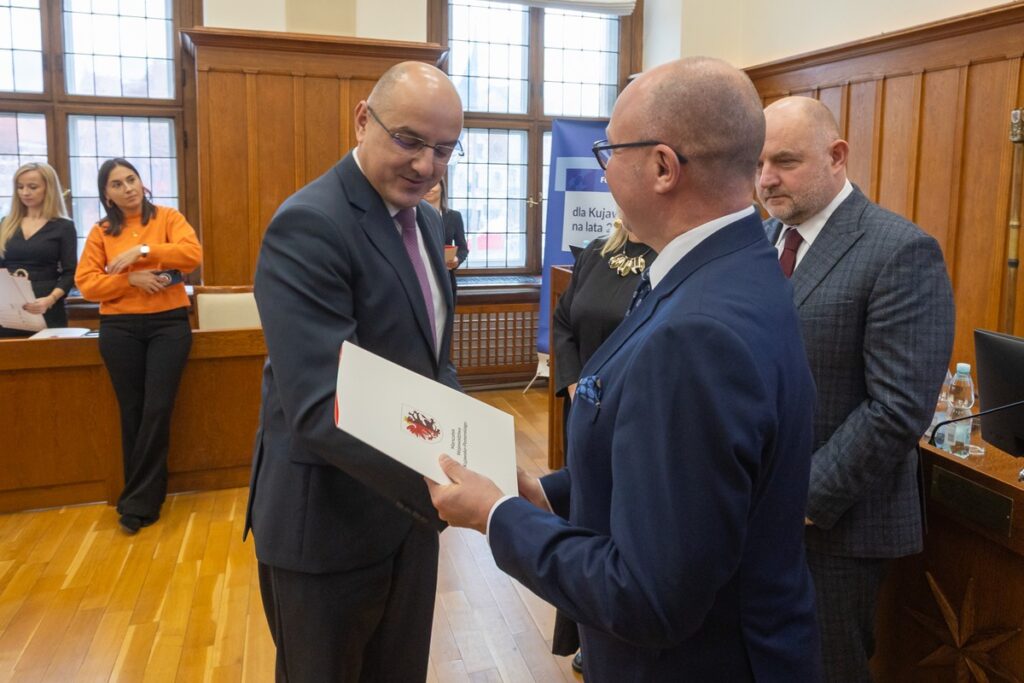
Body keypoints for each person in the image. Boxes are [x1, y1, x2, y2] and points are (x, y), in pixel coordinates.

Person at [429, 57, 821, 683]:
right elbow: (687, 490)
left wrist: (498, 515)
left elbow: (647, 595)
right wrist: (549, 494)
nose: (603, 168)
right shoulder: (730, 268)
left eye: (610, 150)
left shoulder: (699, 331)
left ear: (663, 167)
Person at [244, 61, 463, 682]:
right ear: (363, 118)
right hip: (327, 530)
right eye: (410, 140)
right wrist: (444, 480)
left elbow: (433, 359)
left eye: (445, 150)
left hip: (409, 526)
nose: (426, 165)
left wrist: (473, 445)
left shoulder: (425, 221)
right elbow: (323, 406)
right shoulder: (310, 223)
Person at [757, 96, 954, 683]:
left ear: (836, 156)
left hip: (834, 530)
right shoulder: (762, 238)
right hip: (752, 511)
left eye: (785, 162)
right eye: (758, 162)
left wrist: (800, 501)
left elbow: (897, 408)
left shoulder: (900, 250)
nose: (766, 179)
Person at [550, 216, 656, 672]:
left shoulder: (667, 261)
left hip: (634, 419)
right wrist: (575, 385)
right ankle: (587, 635)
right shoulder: (595, 254)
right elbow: (562, 324)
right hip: (584, 414)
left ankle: (615, 639)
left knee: (624, 526)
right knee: (584, 520)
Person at [76, 158, 202, 535]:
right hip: (119, 327)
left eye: (131, 179)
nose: (127, 187)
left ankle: (139, 501)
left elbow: (192, 255)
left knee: (157, 408)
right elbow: (87, 284)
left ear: (141, 183)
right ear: (107, 195)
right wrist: (131, 281)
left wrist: (144, 251)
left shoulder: (167, 217)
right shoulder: (101, 231)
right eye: (117, 184)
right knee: (132, 411)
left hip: (169, 324)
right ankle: (141, 498)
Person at [0, 162, 77, 337]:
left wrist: (50, 300)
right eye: (20, 187)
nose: (25, 192)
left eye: (32, 187)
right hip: (9, 308)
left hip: (47, 304)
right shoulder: (6, 223)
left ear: (48, 189)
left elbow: (70, 273)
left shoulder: (63, 227)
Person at [424, 176, 468, 296]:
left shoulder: (454, 216)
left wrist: (456, 260)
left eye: (433, 183)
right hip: (421, 276)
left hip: (446, 277)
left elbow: (463, 249)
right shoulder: (413, 215)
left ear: (442, 187)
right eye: (425, 184)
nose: (429, 188)